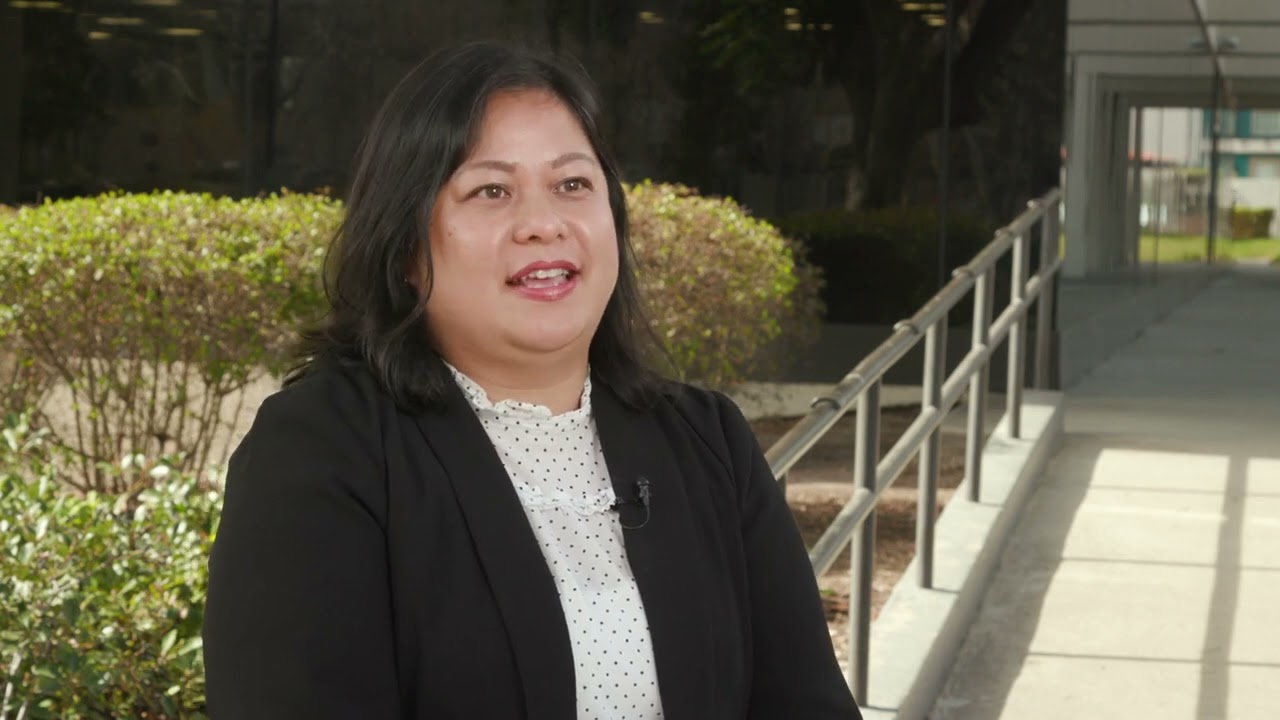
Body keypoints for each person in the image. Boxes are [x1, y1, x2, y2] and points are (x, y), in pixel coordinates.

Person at [202, 39, 861, 720]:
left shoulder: (707, 441)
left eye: (573, 184)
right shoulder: (321, 452)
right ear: (403, 245)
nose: (544, 224)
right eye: (491, 190)